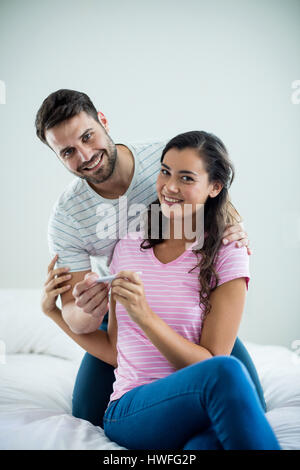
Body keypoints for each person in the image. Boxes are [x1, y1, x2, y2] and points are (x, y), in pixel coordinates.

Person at [36, 89, 265, 428]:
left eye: (88, 136)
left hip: (187, 311)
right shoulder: (68, 217)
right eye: (68, 151)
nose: (85, 155)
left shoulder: (162, 161)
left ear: (103, 121)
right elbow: (75, 314)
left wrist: (237, 226)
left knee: (249, 405)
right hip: (122, 313)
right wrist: (85, 309)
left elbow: (215, 201)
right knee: (87, 416)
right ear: (57, 156)